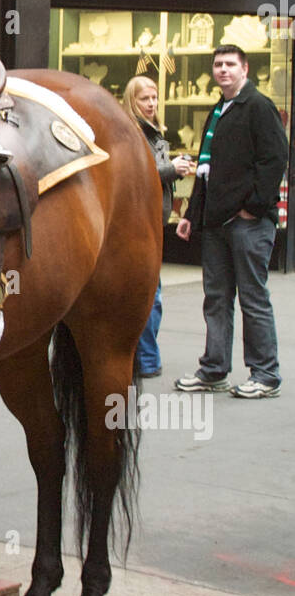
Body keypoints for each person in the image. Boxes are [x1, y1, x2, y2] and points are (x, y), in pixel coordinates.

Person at [174, 43, 288, 398]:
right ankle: (213, 370)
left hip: (249, 224)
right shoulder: (219, 110)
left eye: (230, 65)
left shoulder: (258, 106)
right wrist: (192, 215)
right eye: (218, 65)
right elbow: (206, 170)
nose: (223, 70)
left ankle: (265, 375)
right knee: (217, 298)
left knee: (253, 298)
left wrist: (252, 208)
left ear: (245, 69)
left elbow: (275, 159)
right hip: (215, 225)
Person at [122, 75, 193, 376]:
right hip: (138, 223)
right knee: (150, 294)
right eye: (144, 99)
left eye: (154, 98)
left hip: (152, 222)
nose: (151, 105)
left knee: (150, 293)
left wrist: (173, 169)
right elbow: (135, 174)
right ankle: (146, 359)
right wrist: (172, 169)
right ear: (131, 101)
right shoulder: (131, 131)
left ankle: (144, 357)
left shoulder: (154, 132)